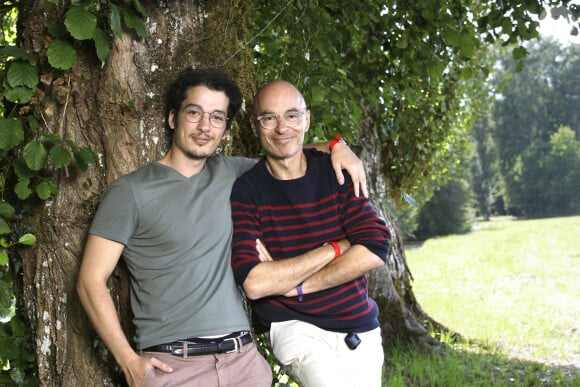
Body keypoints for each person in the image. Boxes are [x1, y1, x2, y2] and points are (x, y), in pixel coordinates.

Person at [76, 68, 367, 387]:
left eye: (217, 117)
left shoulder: (236, 175)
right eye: (194, 113)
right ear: (173, 118)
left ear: (226, 130)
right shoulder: (131, 191)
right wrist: (128, 361)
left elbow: (289, 153)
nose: (204, 126)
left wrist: (338, 145)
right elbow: (90, 281)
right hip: (175, 366)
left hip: (243, 362)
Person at [230, 80, 391, 387]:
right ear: (254, 126)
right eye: (269, 118)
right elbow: (255, 282)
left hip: (360, 327)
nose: (281, 128)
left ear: (306, 119)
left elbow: (374, 247)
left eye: (292, 115)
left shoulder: (336, 172)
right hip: (294, 327)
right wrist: (336, 247)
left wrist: (298, 286)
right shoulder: (248, 191)